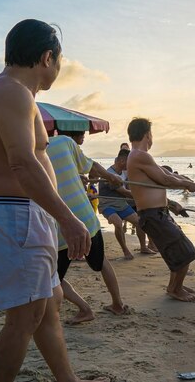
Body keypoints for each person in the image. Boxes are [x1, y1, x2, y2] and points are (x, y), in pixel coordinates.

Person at [0, 19, 98, 382]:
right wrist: (67, 217)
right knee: (25, 318)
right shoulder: (12, 92)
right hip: (16, 215)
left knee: (49, 308)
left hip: (23, 214)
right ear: (47, 57)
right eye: (59, 62)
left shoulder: (10, 93)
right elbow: (22, 161)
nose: (58, 70)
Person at [47, 131, 129, 324]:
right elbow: (91, 166)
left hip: (60, 227)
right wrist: (111, 176)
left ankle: (84, 309)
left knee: (52, 278)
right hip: (84, 218)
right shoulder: (65, 142)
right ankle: (117, 304)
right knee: (102, 263)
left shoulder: (28, 151)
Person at [127, 118, 195, 302]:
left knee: (177, 252)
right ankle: (175, 289)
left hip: (158, 213)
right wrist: (192, 185)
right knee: (185, 251)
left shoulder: (139, 155)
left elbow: (167, 174)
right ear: (147, 134)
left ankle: (175, 286)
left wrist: (189, 181)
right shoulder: (139, 155)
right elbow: (165, 181)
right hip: (153, 214)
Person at [98, 149, 155, 259]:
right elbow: (124, 192)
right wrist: (144, 196)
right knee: (118, 223)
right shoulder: (110, 174)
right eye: (129, 162)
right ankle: (125, 250)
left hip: (121, 204)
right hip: (107, 205)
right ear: (122, 161)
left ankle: (143, 247)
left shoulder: (123, 172)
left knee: (139, 222)